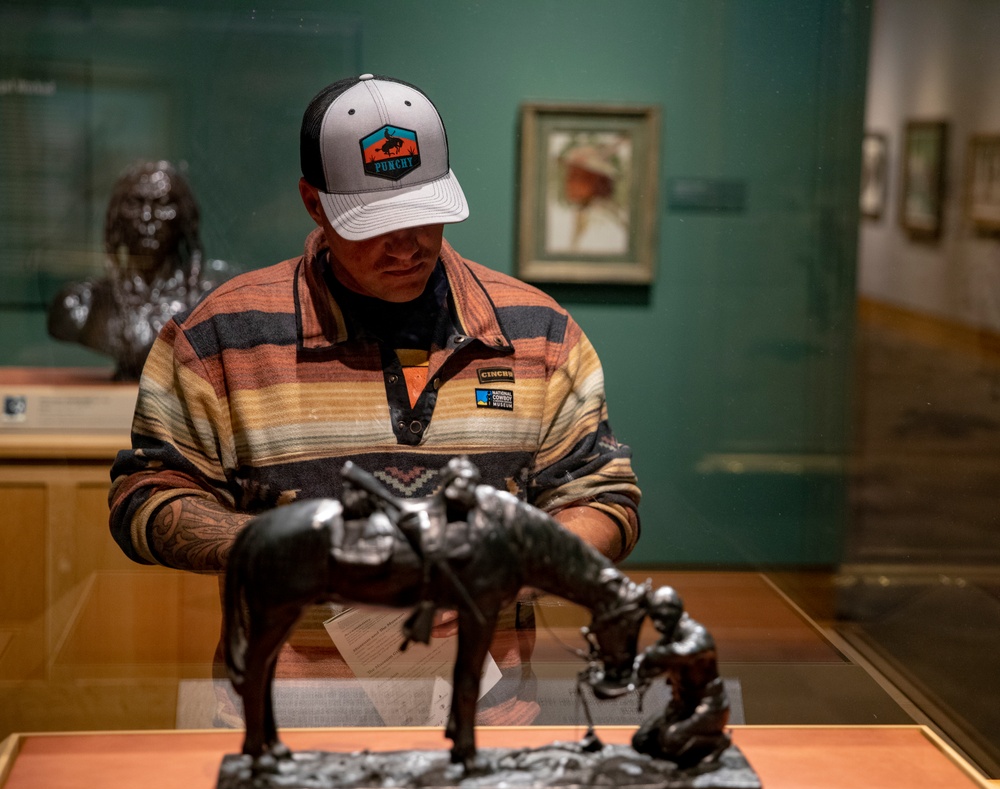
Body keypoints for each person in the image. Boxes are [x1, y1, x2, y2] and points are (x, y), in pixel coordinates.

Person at [108, 74, 640, 723]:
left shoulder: (540, 332)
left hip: (487, 715)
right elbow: (149, 496)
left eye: (425, 214)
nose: (408, 244)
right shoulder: (224, 335)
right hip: (286, 714)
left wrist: (510, 565)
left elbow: (602, 497)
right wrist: (290, 550)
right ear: (314, 203)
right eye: (378, 222)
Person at [47, 159, 235, 380]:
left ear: (184, 216)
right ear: (117, 216)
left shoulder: (221, 294)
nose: (147, 217)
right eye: (135, 203)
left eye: (163, 203)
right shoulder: (82, 305)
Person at [630, 586, 731, 768]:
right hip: (681, 705)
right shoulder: (670, 636)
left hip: (707, 706)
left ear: (675, 612)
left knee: (671, 739)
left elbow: (683, 653)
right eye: (655, 617)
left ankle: (717, 742)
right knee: (642, 740)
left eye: (662, 616)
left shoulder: (697, 635)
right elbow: (650, 663)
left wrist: (652, 656)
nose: (658, 624)